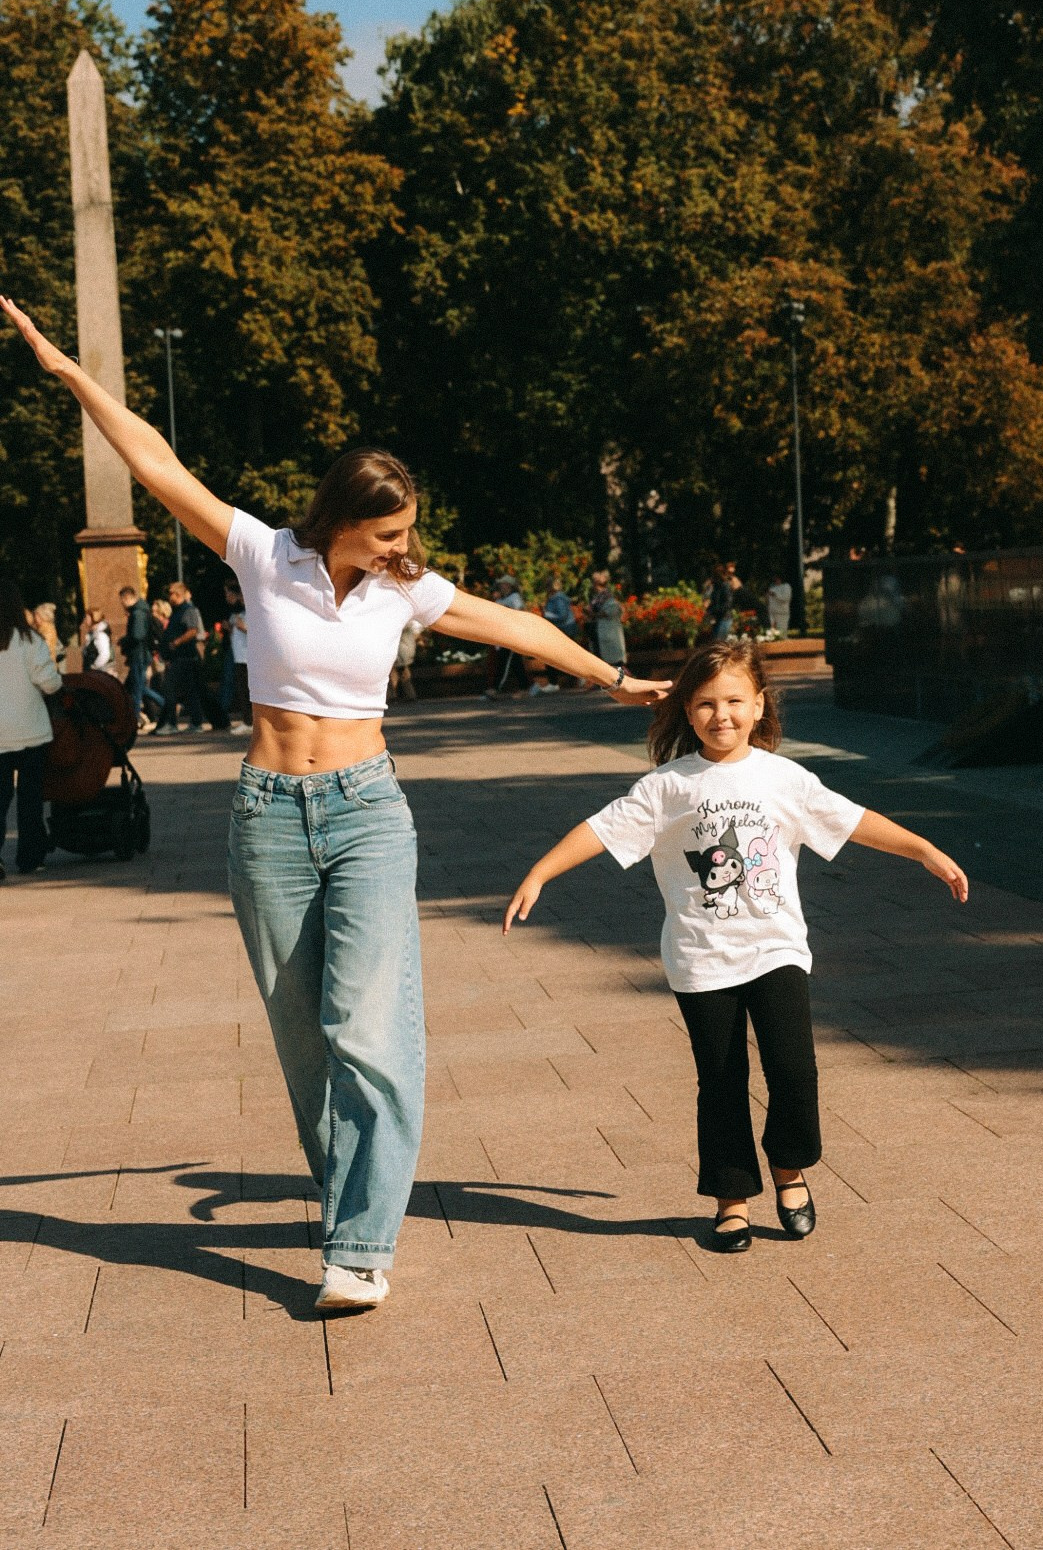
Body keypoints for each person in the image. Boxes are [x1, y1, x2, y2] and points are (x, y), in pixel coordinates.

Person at [2, 292, 669, 1314]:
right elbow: (156, 465)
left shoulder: (409, 588)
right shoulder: (266, 555)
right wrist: (66, 372)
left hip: (366, 812)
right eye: (389, 530)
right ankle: (346, 1190)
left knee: (365, 1019)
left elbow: (514, 628)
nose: (406, 545)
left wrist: (611, 679)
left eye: (411, 531)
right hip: (267, 814)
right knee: (303, 1030)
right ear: (343, 520)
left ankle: (360, 1244)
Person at [503, 639, 967, 1253]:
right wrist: (539, 872)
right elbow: (602, 828)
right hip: (701, 957)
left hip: (775, 949)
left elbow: (852, 818)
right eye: (705, 704)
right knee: (720, 1079)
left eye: (733, 701)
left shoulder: (784, 778)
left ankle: (790, 1169)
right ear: (685, 711)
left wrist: (926, 851)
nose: (721, 715)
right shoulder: (668, 786)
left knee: (793, 1071)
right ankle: (732, 1200)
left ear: (758, 705)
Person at [0, 576, 63, 879]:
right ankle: (29, 856)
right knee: (29, 798)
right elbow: (49, 682)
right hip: (30, 730)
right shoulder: (29, 641)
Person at [154, 581, 208, 735]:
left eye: (171, 593)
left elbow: (192, 630)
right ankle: (195, 722)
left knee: (171, 689)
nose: (169, 596)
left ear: (178, 594)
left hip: (185, 656)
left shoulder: (187, 610)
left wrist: (176, 642)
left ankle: (173, 723)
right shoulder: (178, 611)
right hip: (180, 656)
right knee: (190, 691)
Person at [118, 585, 162, 733]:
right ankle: (165, 706)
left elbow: (137, 635)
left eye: (122, 600)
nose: (122, 604)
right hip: (140, 655)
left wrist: (125, 640)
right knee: (137, 687)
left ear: (127, 598)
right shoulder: (140, 611)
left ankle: (136, 718)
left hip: (139, 655)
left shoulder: (138, 613)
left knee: (137, 689)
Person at [533, 574, 581, 695]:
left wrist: (546, 614)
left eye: (547, 586)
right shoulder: (556, 597)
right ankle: (576, 678)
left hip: (564, 630)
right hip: (562, 631)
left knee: (552, 656)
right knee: (561, 656)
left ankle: (554, 683)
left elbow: (562, 616)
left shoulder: (558, 598)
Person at [484, 576, 530, 699]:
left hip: (512, 634)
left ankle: (495, 688)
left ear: (509, 585)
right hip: (503, 634)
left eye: (503, 584)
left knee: (504, 661)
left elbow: (521, 612)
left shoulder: (514, 598)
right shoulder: (501, 600)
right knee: (515, 663)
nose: (500, 587)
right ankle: (525, 688)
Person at [221, 578, 253, 734]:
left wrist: (243, 627)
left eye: (228, 593)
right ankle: (247, 720)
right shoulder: (236, 610)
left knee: (246, 689)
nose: (226, 597)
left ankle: (249, 721)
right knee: (242, 689)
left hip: (247, 656)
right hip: (239, 655)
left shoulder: (249, 608)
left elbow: (257, 631)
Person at [589, 571, 626, 666]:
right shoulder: (596, 598)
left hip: (608, 632)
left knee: (614, 663)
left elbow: (611, 612)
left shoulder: (609, 597)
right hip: (598, 633)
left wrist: (594, 614)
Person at [389, 618, 421, 703]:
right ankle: (407, 695)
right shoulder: (408, 624)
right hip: (403, 650)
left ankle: (406, 695)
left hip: (401, 651)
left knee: (401, 672)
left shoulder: (403, 623)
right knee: (398, 671)